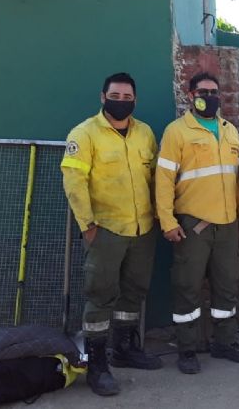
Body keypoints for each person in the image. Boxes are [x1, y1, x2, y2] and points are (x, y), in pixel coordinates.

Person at [61, 72, 162, 396]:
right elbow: (74, 183)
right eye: (115, 97)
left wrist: (160, 215)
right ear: (103, 98)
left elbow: (155, 178)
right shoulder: (84, 134)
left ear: (135, 100)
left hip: (142, 228)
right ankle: (97, 364)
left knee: (133, 293)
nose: (121, 102)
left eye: (127, 97)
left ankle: (124, 349)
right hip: (104, 230)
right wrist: (87, 226)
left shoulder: (145, 133)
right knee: (100, 296)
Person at [155, 72, 239, 375]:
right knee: (187, 286)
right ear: (191, 95)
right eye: (203, 92)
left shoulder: (229, 131)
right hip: (192, 224)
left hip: (227, 224)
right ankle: (187, 348)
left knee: (227, 285)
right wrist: (167, 220)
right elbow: (163, 179)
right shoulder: (177, 132)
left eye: (214, 92)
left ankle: (226, 342)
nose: (209, 97)